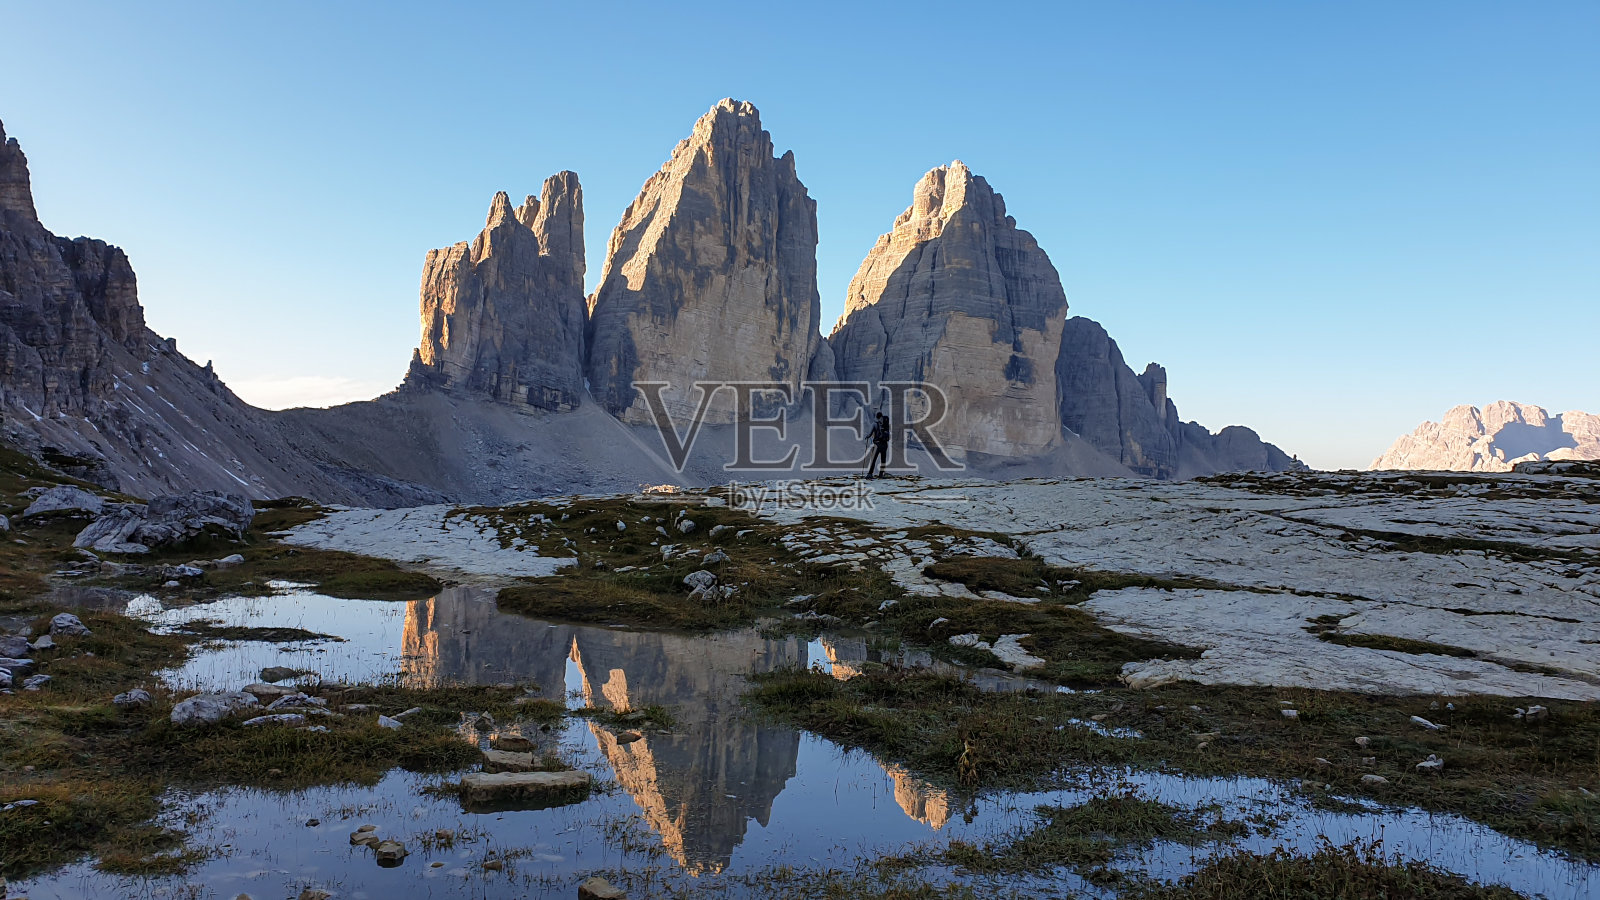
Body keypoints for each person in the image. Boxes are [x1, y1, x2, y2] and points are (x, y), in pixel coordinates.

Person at [866, 412, 891, 478]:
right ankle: (881, 474)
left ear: (876, 417)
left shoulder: (874, 424)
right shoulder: (885, 423)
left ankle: (870, 474)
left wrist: (867, 436)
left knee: (873, 459)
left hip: (877, 444)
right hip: (885, 444)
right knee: (883, 460)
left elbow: (870, 433)